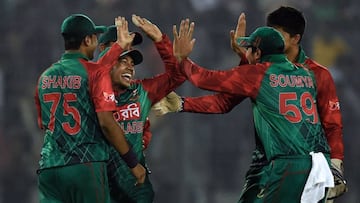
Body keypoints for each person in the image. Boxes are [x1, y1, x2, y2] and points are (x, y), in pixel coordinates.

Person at [155, 7, 347, 201]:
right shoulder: (307, 74)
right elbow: (225, 102)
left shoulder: (279, 73)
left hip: (287, 162)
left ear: (295, 38)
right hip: (274, 163)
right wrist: (182, 103)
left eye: (278, 33)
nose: (274, 36)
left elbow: (332, 123)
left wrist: (181, 59)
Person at [34, 14, 146, 203]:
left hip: (50, 168)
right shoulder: (95, 74)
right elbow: (107, 123)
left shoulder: (45, 77)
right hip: (85, 167)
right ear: (88, 40)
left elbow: (44, 123)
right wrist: (134, 164)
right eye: (95, 36)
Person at [97, 15, 187, 202]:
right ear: (105, 50)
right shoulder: (90, 90)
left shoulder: (141, 91)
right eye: (123, 58)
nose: (130, 66)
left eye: (132, 60)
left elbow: (177, 76)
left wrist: (160, 40)